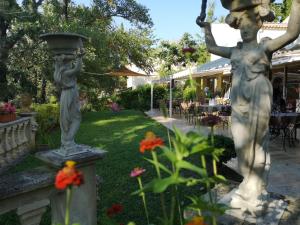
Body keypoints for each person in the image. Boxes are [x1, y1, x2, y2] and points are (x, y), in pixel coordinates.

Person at [197, 0, 300, 216]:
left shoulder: (265, 47)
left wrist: (296, 5)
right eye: (242, 26)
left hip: (258, 96)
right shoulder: (235, 51)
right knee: (241, 143)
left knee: (257, 142)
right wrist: (206, 28)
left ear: (258, 25)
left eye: (249, 26)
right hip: (238, 101)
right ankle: (249, 182)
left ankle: (254, 188)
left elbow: (291, 33)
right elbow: (211, 48)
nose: (245, 30)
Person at [54, 50, 84, 153]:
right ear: (67, 63)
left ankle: (66, 142)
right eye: (70, 62)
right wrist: (79, 57)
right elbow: (77, 69)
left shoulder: (58, 73)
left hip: (65, 94)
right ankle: (68, 141)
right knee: (76, 118)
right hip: (70, 93)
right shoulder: (66, 73)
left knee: (66, 119)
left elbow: (58, 61)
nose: (71, 63)